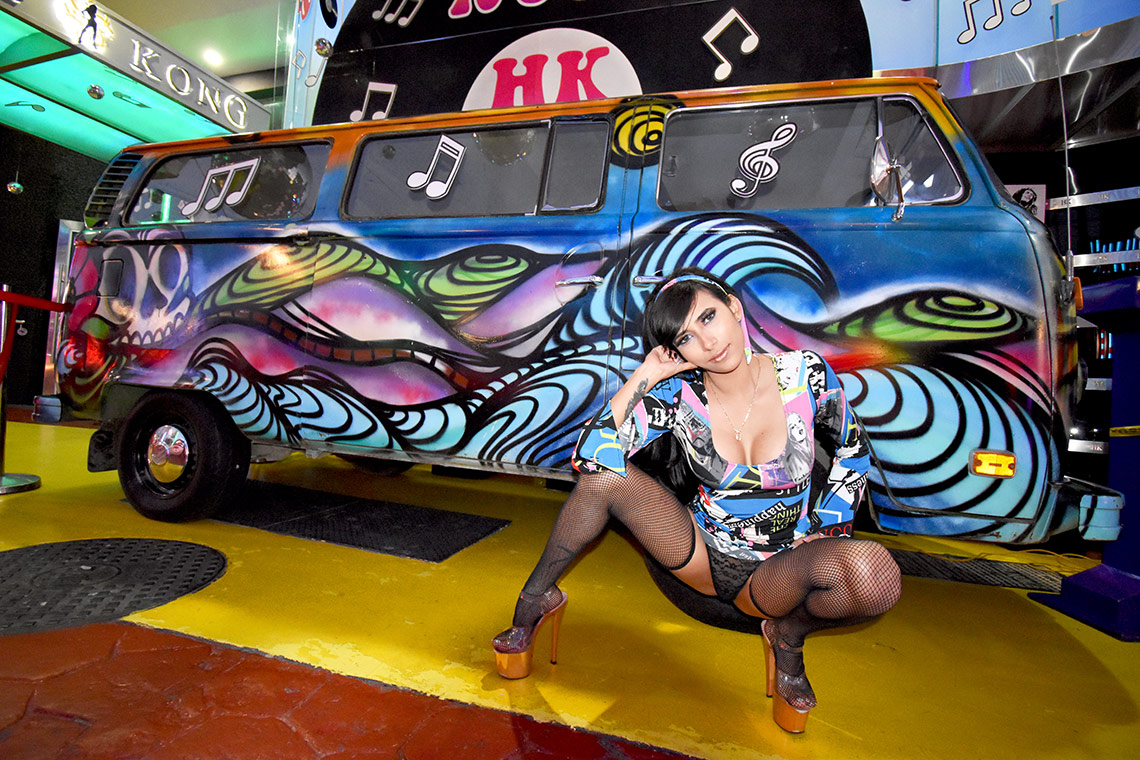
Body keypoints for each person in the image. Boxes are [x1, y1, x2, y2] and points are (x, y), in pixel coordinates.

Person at [491, 267, 901, 733]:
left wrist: (831, 525)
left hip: (777, 570)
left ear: (734, 308)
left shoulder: (804, 374)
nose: (707, 342)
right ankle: (535, 600)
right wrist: (647, 373)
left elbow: (852, 448)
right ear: (676, 351)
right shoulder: (678, 395)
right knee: (603, 481)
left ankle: (788, 636)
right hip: (700, 553)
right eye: (686, 337)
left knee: (877, 576)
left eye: (708, 317)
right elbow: (589, 456)